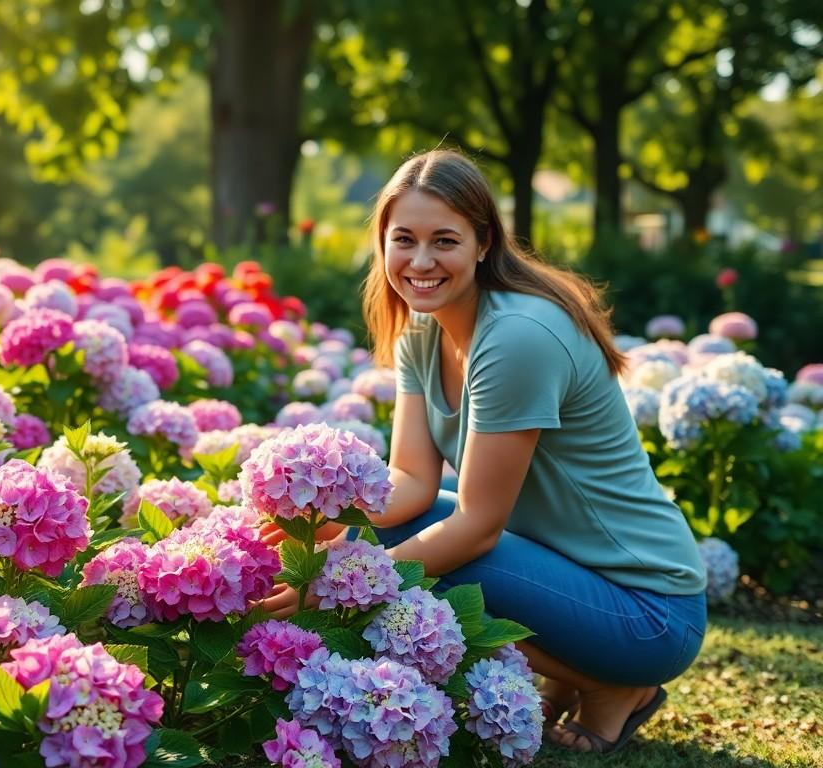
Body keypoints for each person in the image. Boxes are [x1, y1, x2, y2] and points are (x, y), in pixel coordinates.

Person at [257, 149, 707, 754]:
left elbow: (476, 528)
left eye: (444, 240)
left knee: (413, 563)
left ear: (483, 242)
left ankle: (611, 686)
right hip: (567, 572)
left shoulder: (517, 337)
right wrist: (320, 522)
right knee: (389, 536)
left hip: (649, 611)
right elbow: (412, 480)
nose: (420, 261)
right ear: (382, 244)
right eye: (403, 240)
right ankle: (576, 675)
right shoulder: (425, 327)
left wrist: (344, 580)